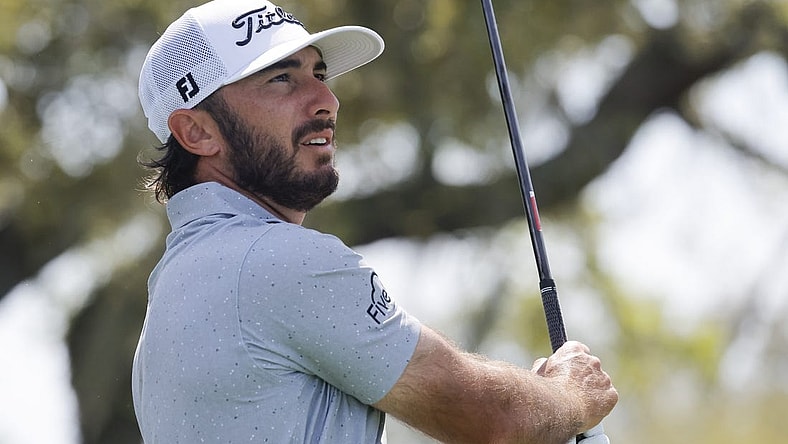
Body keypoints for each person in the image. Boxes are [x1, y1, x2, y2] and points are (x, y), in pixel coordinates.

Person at [132, 0, 619, 443]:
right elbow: (496, 420)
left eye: (319, 73)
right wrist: (572, 397)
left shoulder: (176, 282)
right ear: (196, 130)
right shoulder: (276, 260)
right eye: (281, 79)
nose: (326, 100)